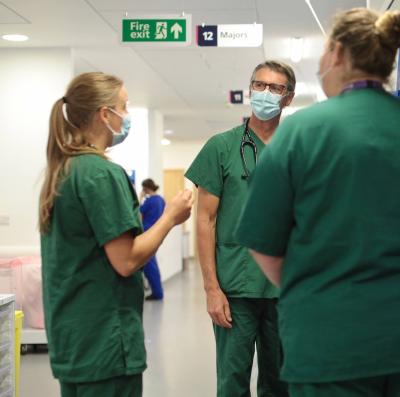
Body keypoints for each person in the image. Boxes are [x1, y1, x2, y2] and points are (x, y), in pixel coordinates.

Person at [234, 8, 400, 397]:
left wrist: (315, 286)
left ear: (339, 54)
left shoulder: (298, 134)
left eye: (324, 53)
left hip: (332, 342)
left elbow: (264, 245)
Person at [39, 72, 192, 396]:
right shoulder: (100, 174)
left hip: (75, 339)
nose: (127, 115)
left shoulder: (64, 170)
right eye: (124, 106)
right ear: (104, 114)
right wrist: (170, 217)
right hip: (104, 342)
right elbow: (126, 260)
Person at [185, 60, 295, 397]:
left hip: (287, 287)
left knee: (282, 382)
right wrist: (211, 289)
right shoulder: (221, 147)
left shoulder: (300, 147)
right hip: (235, 285)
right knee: (232, 382)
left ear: (288, 98)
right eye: (259, 85)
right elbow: (204, 220)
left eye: (275, 88)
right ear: (250, 90)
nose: (265, 93)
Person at [140, 178, 166, 300]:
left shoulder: (149, 201)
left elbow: (138, 214)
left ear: (145, 188)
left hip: (146, 233)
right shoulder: (161, 200)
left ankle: (157, 293)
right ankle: (158, 291)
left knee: (149, 264)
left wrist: (140, 198)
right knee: (152, 263)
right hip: (157, 233)